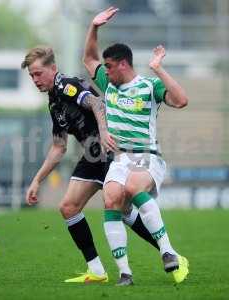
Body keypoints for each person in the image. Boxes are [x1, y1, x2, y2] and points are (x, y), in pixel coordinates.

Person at [22, 46, 160, 284]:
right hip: (92, 155)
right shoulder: (54, 102)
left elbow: (97, 103)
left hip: (110, 152)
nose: (35, 80)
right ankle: (97, 271)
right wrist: (37, 180)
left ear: (53, 69)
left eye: (38, 73)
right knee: (68, 207)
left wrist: (105, 133)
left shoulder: (67, 85)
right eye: (31, 76)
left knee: (124, 211)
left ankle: (168, 252)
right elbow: (58, 147)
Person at [83, 7, 189, 285]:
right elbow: (88, 58)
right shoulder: (109, 84)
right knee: (111, 198)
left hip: (148, 157)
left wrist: (158, 68)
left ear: (123, 65)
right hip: (120, 160)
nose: (103, 71)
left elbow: (181, 100)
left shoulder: (149, 86)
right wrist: (94, 27)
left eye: (108, 66)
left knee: (132, 187)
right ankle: (125, 273)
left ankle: (167, 251)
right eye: (104, 67)